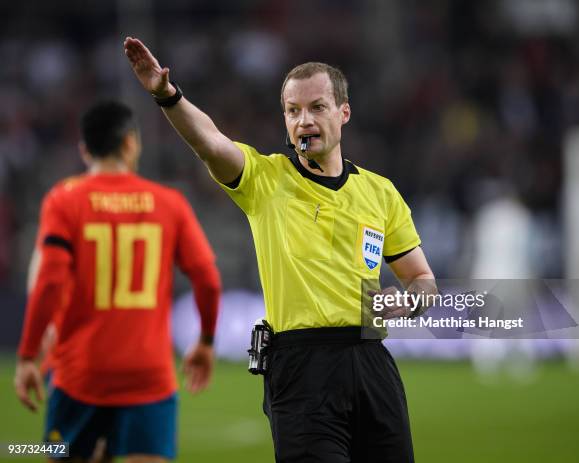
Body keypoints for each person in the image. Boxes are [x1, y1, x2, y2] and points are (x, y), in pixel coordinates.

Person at [124, 37, 436, 463]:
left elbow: (422, 281)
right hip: (301, 366)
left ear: (343, 113)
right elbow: (210, 143)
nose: (304, 120)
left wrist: (408, 301)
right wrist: (168, 96)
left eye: (316, 107)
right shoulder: (265, 179)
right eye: (293, 111)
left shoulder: (380, 193)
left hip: (371, 363)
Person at [14, 101, 222, 462]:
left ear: (84, 150)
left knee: (59, 452)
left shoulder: (64, 200)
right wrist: (205, 341)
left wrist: (29, 354)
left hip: (80, 374)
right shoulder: (169, 203)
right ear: (130, 143)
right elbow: (207, 280)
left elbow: (48, 282)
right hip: (149, 377)